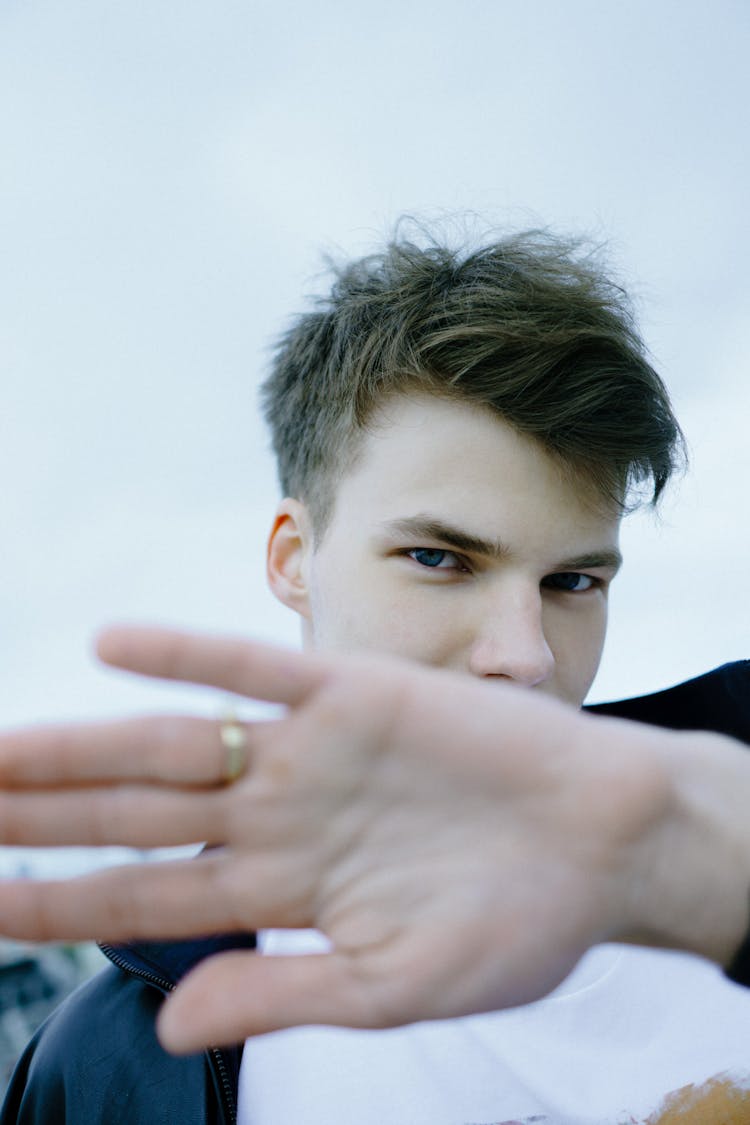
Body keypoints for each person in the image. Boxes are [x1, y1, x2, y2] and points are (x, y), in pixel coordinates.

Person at [1, 230, 749, 1123]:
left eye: (573, 581)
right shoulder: (112, 1062)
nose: (527, 654)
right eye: (440, 557)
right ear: (292, 558)